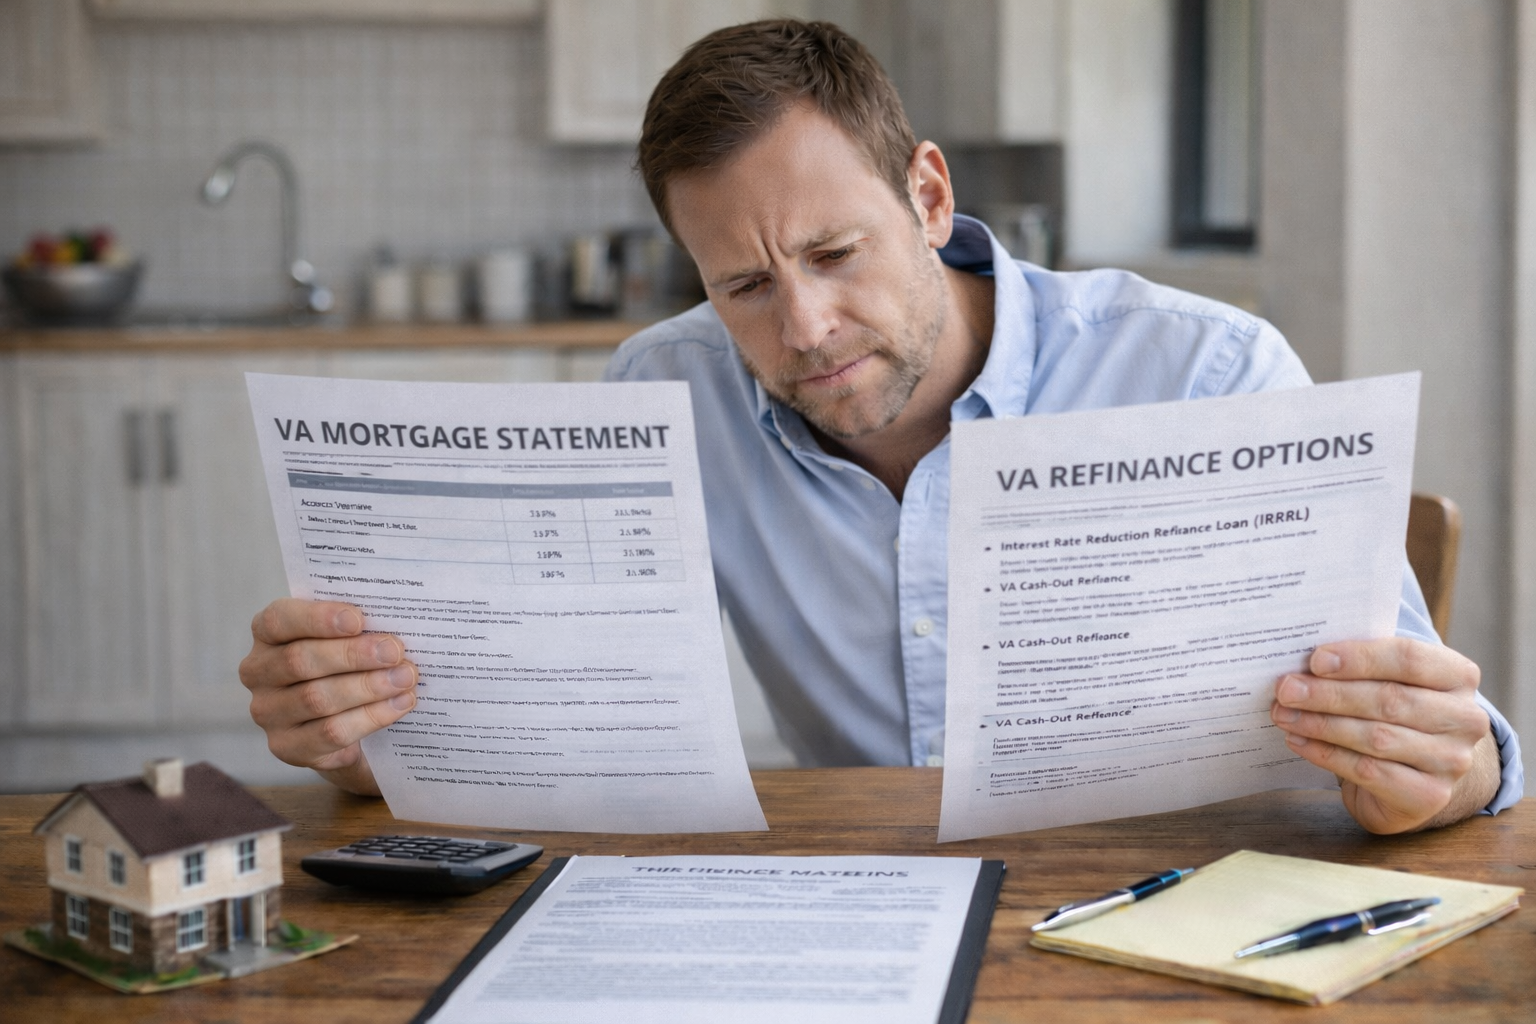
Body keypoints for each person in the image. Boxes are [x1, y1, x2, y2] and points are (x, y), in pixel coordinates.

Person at [240, 19, 1521, 834]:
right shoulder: (660, 395)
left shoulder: (1211, 369)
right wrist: (373, 743)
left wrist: (1440, 774)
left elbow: (1461, 765)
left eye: (835, 251)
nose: (803, 327)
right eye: (742, 285)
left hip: (1198, 914)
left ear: (926, 191)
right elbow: (527, 733)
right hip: (870, 914)